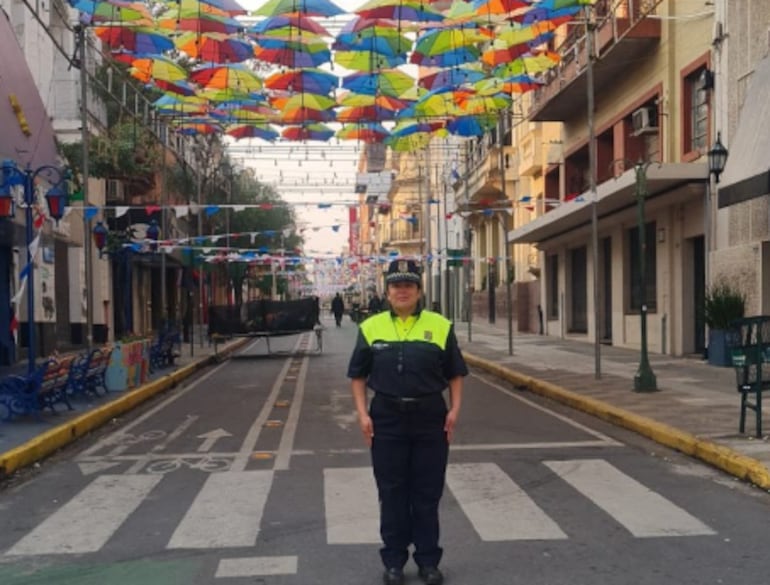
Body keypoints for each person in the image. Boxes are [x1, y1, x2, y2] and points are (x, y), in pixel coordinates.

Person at [347, 259, 468, 585]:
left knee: (427, 493)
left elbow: (455, 372)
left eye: (409, 285)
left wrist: (454, 410)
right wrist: (362, 414)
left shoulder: (440, 325)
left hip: (430, 417)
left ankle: (428, 561)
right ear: (387, 292)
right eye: (396, 285)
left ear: (418, 291)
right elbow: (358, 376)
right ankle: (394, 562)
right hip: (387, 418)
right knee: (392, 492)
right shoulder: (371, 327)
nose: (402, 291)